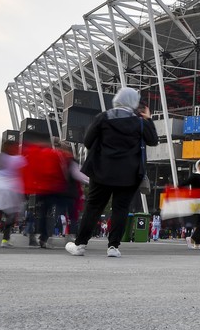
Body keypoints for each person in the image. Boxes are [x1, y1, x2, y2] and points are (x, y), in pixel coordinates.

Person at [66, 87, 158, 258]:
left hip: (102, 170)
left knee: (93, 207)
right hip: (129, 173)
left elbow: (87, 141)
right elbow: (153, 141)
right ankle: (113, 247)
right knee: (121, 208)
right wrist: (148, 119)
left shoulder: (103, 117)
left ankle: (80, 244)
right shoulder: (139, 122)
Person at [0, 140, 26, 248]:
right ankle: (5, 240)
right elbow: (25, 166)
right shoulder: (16, 159)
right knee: (10, 215)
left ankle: (5, 239)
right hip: (10, 189)